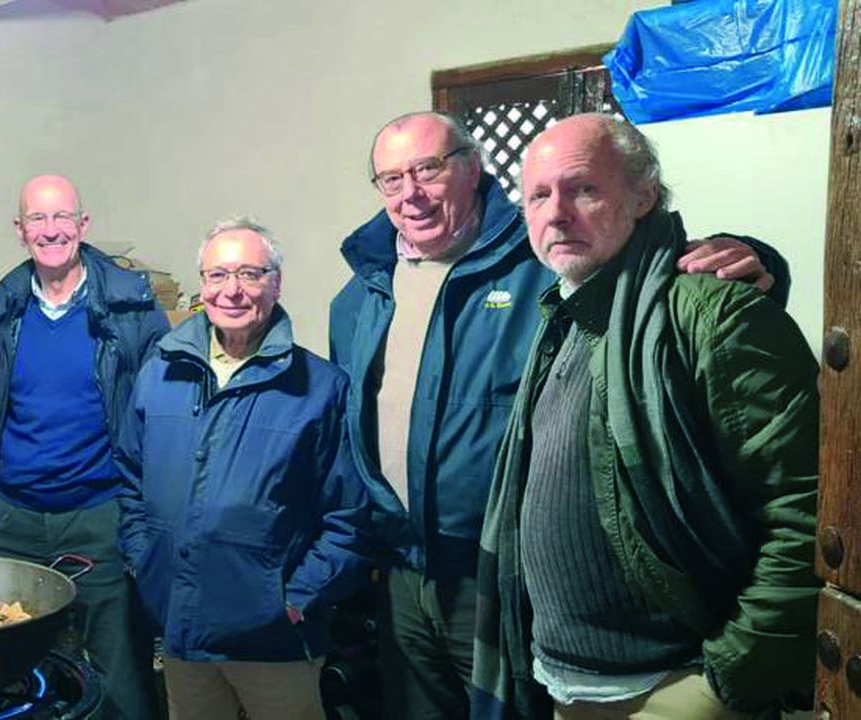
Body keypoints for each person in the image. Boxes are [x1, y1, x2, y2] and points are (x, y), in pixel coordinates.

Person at [327, 111, 781, 718]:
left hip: (509, 576)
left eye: (427, 169)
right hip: (404, 577)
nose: (410, 193)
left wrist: (754, 255)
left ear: (472, 168)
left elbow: (660, 284)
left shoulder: (543, 254)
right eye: (390, 178)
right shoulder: (357, 299)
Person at [473, 113, 818, 720]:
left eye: (583, 188)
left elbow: (805, 510)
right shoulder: (563, 317)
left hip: (675, 687)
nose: (556, 213)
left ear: (644, 194)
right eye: (538, 195)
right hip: (566, 683)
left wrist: (731, 678)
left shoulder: (710, 311)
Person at [118, 217, 372, 720]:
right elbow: (129, 478)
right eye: (217, 275)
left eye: (249, 274)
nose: (231, 290)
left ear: (275, 283)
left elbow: (351, 518)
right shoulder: (159, 374)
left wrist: (295, 596)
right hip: (183, 629)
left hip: (274, 637)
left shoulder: (320, 388)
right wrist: (146, 562)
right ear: (202, 285)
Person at [0, 174, 167, 719]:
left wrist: (136, 511)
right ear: (19, 229)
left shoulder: (132, 311)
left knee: (116, 674)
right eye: (37, 219)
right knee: (11, 675)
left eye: (61, 218)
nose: (50, 230)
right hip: (11, 520)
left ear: (83, 224)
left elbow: (158, 420)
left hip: (100, 517)